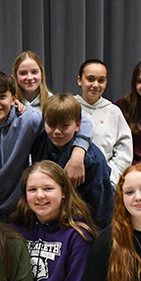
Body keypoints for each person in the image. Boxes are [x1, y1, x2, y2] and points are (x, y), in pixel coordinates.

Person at [0, 70, 93, 216]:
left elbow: (82, 121)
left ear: (14, 98)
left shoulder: (27, 120)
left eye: (2, 97)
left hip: (18, 214)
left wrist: (78, 154)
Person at [32, 94, 114, 228]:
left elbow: (101, 209)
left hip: (84, 224)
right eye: (51, 125)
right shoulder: (39, 144)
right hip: (50, 221)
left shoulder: (94, 159)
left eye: (64, 126)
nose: (57, 132)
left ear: (78, 125)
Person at [75, 59, 133, 187]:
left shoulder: (113, 111)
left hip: (104, 183)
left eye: (101, 80)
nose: (95, 85)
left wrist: (110, 177)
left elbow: (124, 150)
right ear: (80, 80)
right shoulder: (69, 107)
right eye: (90, 79)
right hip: (72, 181)